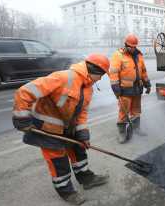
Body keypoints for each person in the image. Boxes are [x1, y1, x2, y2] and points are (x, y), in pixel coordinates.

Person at [12, 54, 110, 205]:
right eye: (102, 75)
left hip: (68, 127)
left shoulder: (88, 88)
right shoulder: (63, 77)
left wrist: (82, 134)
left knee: (79, 150)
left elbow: (82, 113)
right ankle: (66, 191)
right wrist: (21, 118)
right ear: (94, 70)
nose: (101, 79)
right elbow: (24, 92)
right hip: (46, 128)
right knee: (59, 162)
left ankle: (86, 178)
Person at [109, 34, 151, 144]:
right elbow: (113, 73)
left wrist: (147, 83)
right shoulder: (118, 55)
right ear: (126, 45)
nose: (132, 48)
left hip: (137, 89)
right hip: (125, 90)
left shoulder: (139, 55)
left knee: (136, 111)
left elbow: (143, 71)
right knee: (124, 112)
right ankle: (122, 133)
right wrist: (115, 87)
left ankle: (136, 128)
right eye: (130, 46)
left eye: (134, 46)